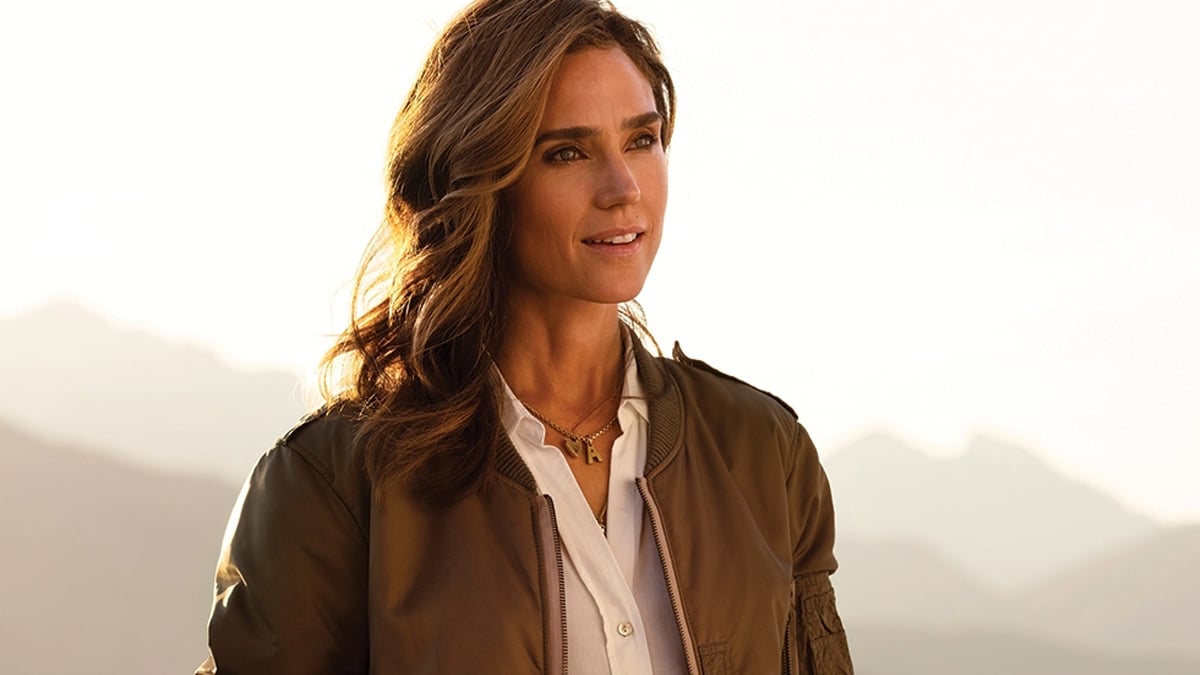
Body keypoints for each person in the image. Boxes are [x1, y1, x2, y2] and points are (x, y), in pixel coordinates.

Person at [196, 0, 853, 673]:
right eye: (566, 151)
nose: (623, 187)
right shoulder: (336, 486)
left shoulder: (764, 454)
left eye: (642, 139)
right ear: (483, 178)